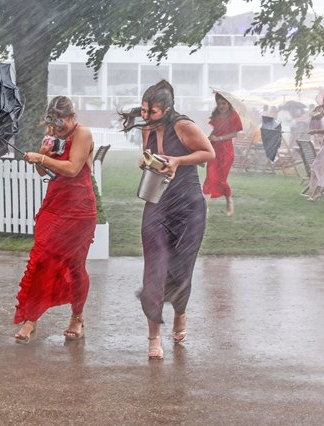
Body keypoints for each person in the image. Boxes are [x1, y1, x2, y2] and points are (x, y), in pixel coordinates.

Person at [120, 80, 215, 360]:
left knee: (181, 270)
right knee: (155, 269)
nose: (146, 117)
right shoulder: (148, 127)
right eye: (145, 110)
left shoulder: (184, 126)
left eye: (153, 112)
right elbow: (150, 156)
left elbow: (209, 154)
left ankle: (180, 313)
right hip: (157, 203)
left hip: (188, 206)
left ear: (169, 109)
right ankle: (153, 336)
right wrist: (145, 160)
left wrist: (178, 161)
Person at [14, 96, 97, 344]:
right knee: (41, 260)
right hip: (55, 205)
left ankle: (77, 317)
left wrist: (42, 159)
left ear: (72, 117)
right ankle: (31, 318)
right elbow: (45, 172)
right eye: (52, 121)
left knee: (75, 265)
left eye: (61, 122)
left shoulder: (82, 133)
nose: (56, 127)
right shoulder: (51, 134)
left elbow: (72, 169)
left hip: (79, 209)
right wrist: (41, 156)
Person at [202, 93, 243, 216]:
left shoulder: (234, 116)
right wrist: (211, 137)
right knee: (210, 176)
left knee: (221, 180)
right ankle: (205, 207)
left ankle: (229, 200)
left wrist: (218, 138)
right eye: (219, 103)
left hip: (226, 151)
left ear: (229, 104)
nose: (221, 106)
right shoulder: (217, 116)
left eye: (223, 103)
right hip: (214, 150)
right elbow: (216, 131)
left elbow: (235, 134)